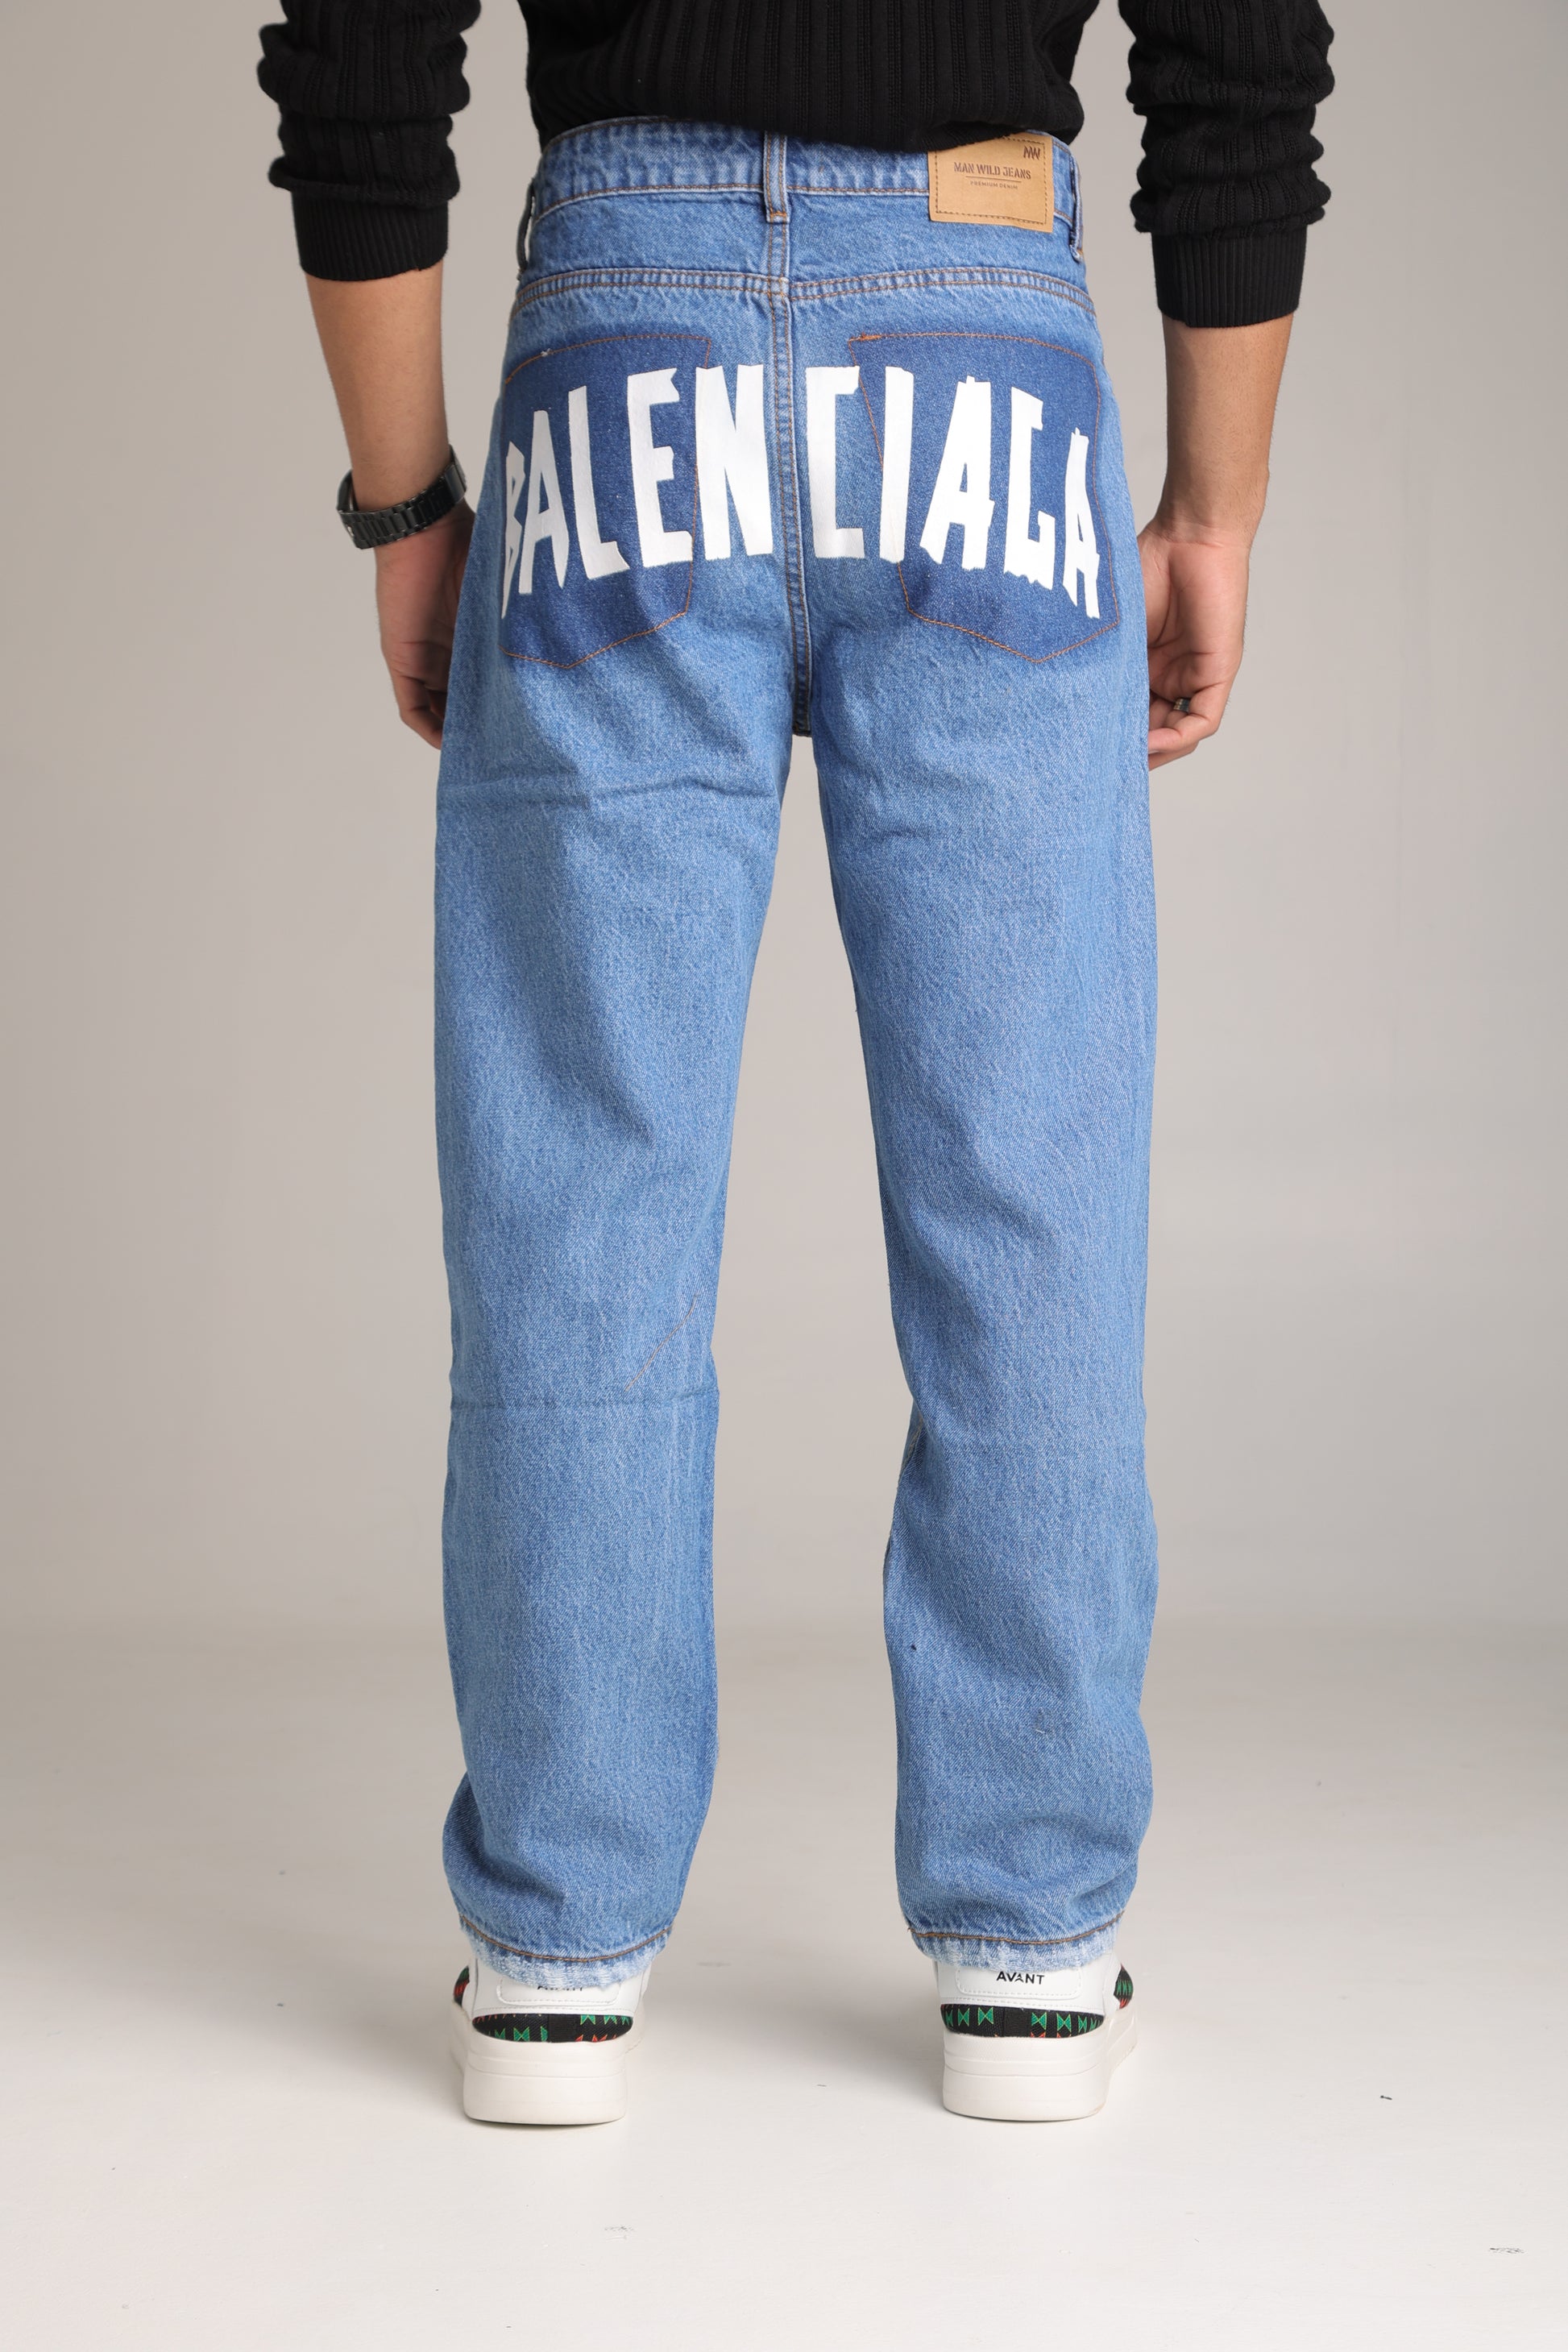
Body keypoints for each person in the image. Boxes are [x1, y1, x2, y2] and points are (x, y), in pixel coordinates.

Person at [258, 0, 1333, 2126]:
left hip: (620, 339)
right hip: (982, 324)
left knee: (581, 1175)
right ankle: (1030, 1948)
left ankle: (555, 1952)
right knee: (1025, 1179)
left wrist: (404, 502)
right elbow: (1238, 43)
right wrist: (1213, 509)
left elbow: (362, 32)